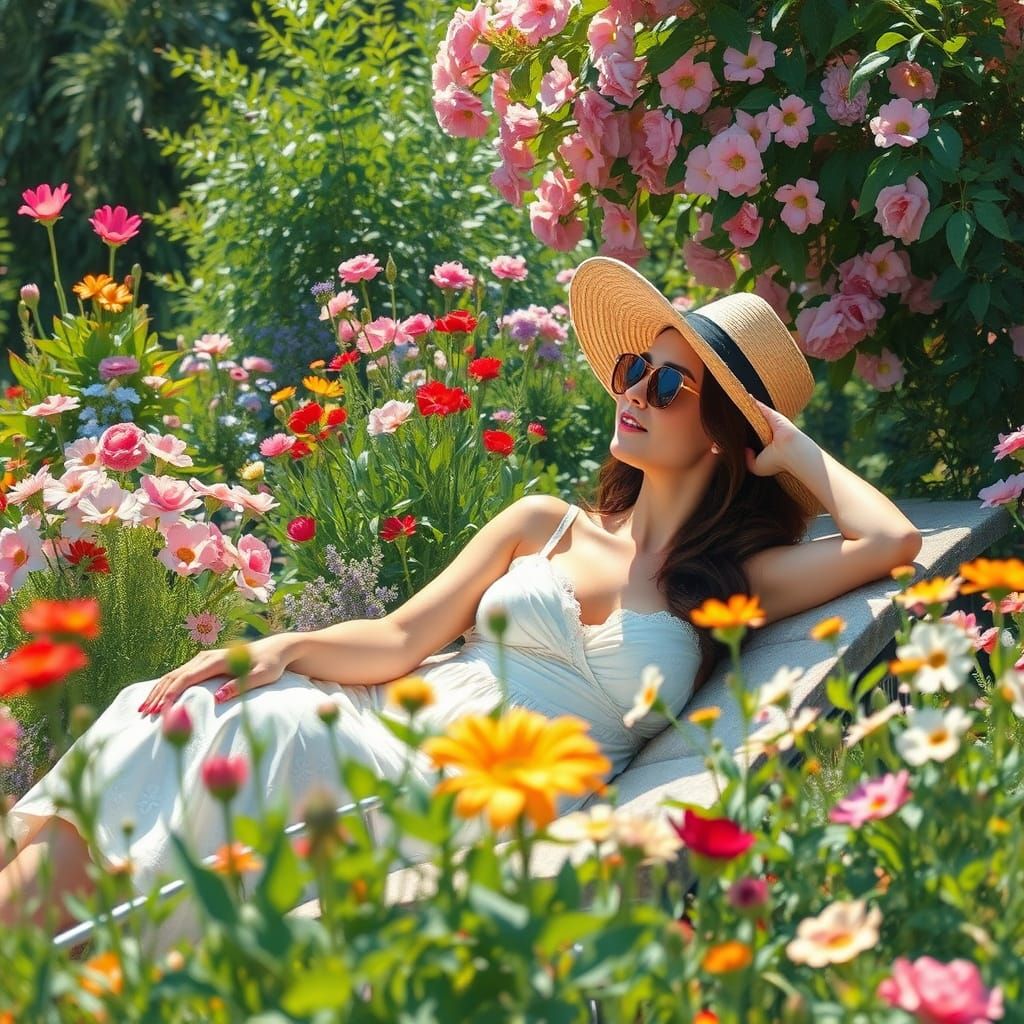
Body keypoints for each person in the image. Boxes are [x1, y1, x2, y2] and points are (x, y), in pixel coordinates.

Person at [0, 256, 921, 941]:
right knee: (204, 712)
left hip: (472, 796)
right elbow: (403, 636)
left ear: (727, 434)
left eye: (671, 384)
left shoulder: (726, 585)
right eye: (637, 366)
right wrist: (276, 649)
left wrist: (791, 448)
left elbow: (891, 543)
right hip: (386, 725)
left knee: (235, 750)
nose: (635, 389)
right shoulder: (544, 522)